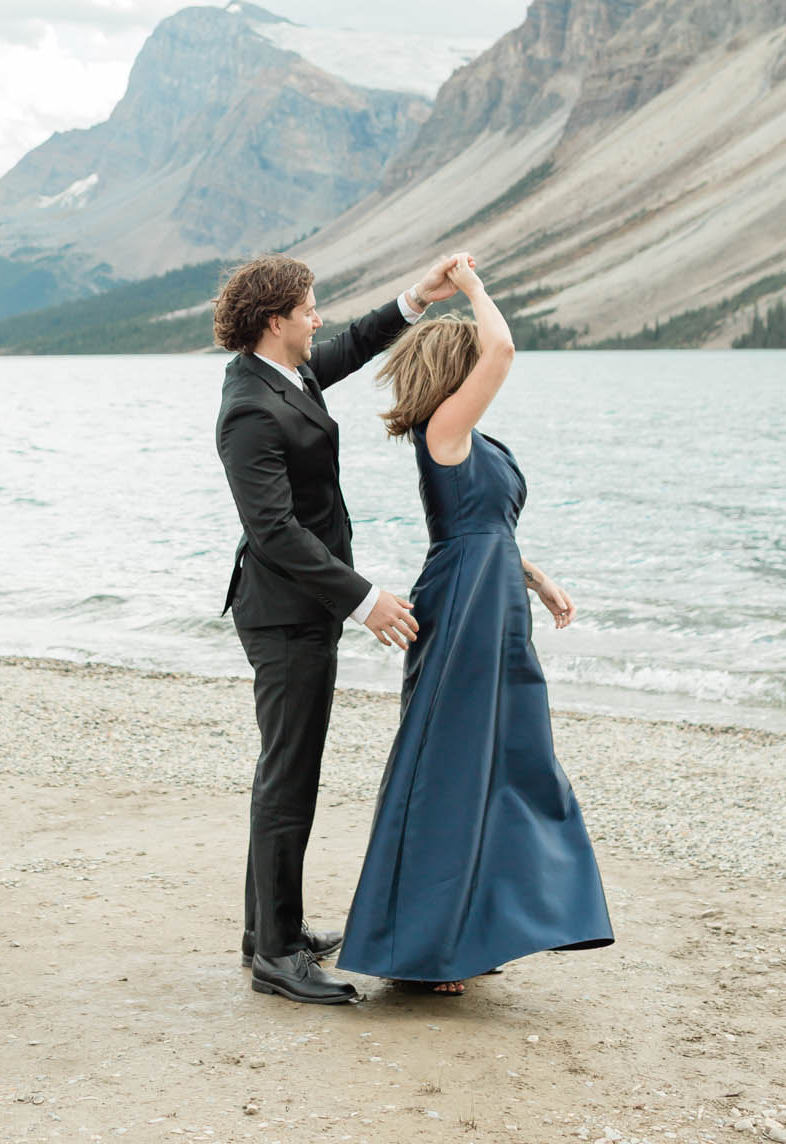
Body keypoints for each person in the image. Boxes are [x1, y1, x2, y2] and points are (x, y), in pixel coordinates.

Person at [337, 254, 614, 994]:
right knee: (455, 769)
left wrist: (538, 577)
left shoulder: (471, 443)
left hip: (496, 606)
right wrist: (474, 289)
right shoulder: (444, 429)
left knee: (509, 766)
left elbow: (484, 527)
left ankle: (472, 932)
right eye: (474, 365)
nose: (484, 372)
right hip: (463, 611)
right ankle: (424, 952)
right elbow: (505, 349)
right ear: (458, 371)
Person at [214, 249, 470, 1006]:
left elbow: (354, 344)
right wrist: (366, 600)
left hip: (305, 608)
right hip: (285, 614)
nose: (317, 317)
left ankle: (270, 931)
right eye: (308, 308)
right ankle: (276, 955)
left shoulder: (284, 375)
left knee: (286, 770)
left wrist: (419, 298)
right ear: (275, 321)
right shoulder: (248, 407)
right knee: (288, 778)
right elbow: (274, 531)